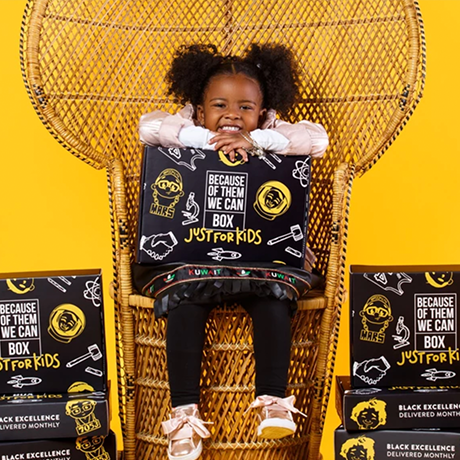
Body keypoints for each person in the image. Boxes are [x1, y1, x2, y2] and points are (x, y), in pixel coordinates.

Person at [138, 43, 329, 460]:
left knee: (273, 301)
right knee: (182, 304)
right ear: (198, 107)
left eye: (245, 107)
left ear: (262, 111)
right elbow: (147, 128)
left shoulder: (273, 131)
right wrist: (204, 141)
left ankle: (274, 401)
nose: (232, 114)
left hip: (260, 261)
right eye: (220, 104)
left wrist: (257, 140)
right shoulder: (182, 126)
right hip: (193, 260)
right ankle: (184, 413)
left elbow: (317, 140)